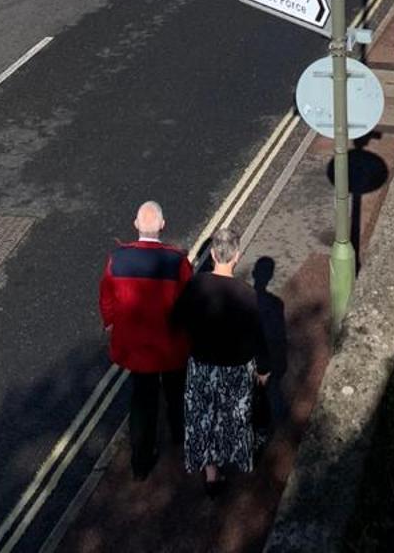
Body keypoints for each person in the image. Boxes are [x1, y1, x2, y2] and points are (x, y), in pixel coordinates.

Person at [171, 227, 271, 495]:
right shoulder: (248, 295)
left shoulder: (196, 285)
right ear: (237, 256)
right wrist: (263, 369)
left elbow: (176, 321)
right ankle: (239, 457)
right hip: (236, 370)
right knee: (234, 418)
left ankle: (211, 474)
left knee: (203, 418)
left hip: (202, 367)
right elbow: (258, 338)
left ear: (213, 254)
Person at [99, 200, 192, 479]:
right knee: (177, 392)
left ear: (136, 224)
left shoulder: (117, 259)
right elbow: (187, 303)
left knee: (142, 401)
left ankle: (140, 463)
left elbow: (107, 298)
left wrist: (111, 321)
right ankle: (179, 436)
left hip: (136, 347)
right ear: (162, 226)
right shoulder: (177, 260)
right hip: (171, 344)